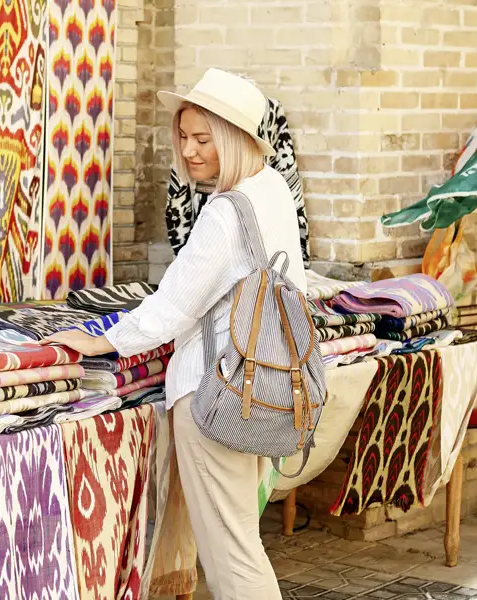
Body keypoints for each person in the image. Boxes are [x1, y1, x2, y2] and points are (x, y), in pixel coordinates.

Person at [43, 68, 306, 599]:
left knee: (231, 554)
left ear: (234, 136)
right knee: (241, 540)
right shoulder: (273, 188)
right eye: (183, 137)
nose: (188, 151)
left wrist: (103, 341)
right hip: (261, 387)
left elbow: (173, 307)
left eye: (203, 139)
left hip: (214, 395)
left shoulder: (225, 212)